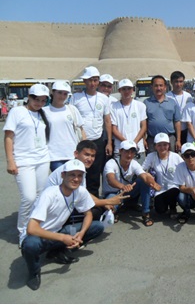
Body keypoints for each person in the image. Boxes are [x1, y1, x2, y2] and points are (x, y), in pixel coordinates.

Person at [20, 159, 104, 290]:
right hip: (41, 236)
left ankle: (56, 251)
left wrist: (80, 234)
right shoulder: (50, 194)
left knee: (97, 227)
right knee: (30, 244)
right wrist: (63, 238)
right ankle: (33, 272)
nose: (76, 179)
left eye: (79, 175)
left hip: (59, 232)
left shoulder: (80, 191)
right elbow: (31, 229)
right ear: (63, 175)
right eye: (72, 175)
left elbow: (88, 214)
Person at [4, 84, 50, 237]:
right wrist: (10, 160)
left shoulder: (43, 114)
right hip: (24, 160)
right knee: (29, 197)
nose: (39, 103)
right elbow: (9, 137)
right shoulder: (17, 111)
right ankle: (23, 231)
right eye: (36, 99)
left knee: (39, 196)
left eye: (43, 100)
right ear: (28, 97)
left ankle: (35, 226)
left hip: (42, 159)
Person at [46, 140, 129, 221]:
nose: (90, 159)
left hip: (65, 204)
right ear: (76, 154)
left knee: (99, 210)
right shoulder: (69, 169)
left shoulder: (81, 169)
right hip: (54, 209)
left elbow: (84, 192)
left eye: (92, 156)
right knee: (96, 213)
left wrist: (104, 203)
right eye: (86, 155)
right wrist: (107, 201)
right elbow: (82, 198)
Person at [70, 66, 112, 197]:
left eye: (95, 80)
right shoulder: (76, 98)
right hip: (80, 142)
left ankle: (92, 204)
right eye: (89, 80)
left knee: (94, 175)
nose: (92, 83)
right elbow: (71, 120)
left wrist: (109, 142)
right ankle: (76, 203)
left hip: (97, 141)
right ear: (84, 82)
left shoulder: (104, 98)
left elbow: (107, 121)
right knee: (77, 173)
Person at [102, 140, 156, 227]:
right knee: (110, 209)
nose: (129, 155)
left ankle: (146, 213)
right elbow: (110, 180)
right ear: (120, 151)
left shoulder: (134, 163)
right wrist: (123, 187)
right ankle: (117, 209)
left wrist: (151, 181)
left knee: (143, 181)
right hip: (113, 193)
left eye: (132, 152)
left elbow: (143, 175)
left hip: (127, 191)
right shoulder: (111, 163)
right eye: (126, 151)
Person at [43, 81, 86, 171]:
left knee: (75, 181)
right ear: (53, 92)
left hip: (73, 153)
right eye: (59, 93)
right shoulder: (44, 111)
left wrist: (85, 148)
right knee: (61, 181)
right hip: (54, 155)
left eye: (65, 94)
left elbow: (81, 130)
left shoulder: (72, 109)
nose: (62, 96)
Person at [142, 133, 183, 219]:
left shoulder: (175, 157)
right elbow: (142, 170)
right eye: (159, 145)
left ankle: (173, 207)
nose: (162, 147)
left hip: (173, 187)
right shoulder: (151, 156)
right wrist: (148, 175)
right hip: (159, 189)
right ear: (155, 146)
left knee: (173, 190)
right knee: (160, 211)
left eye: (165, 145)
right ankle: (166, 204)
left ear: (169, 145)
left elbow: (184, 169)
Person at [144, 75, 182, 154]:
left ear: (165, 87)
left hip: (169, 138)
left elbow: (177, 122)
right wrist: (143, 139)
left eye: (161, 85)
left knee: (171, 162)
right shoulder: (146, 103)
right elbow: (144, 124)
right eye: (156, 86)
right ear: (152, 87)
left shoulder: (172, 102)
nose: (159, 88)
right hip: (152, 139)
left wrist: (178, 140)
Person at [110, 78, 147, 158]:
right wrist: (127, 144)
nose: (126, 91)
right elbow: (114, 129)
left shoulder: (140, 105)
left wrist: (134, 142)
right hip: (121, 148)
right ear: (119, 90)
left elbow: (143, 126)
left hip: (138, 148)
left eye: (129, 89)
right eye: (124, 89)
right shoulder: (113, 106)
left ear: (133, 90)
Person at [166, 71, 193, 147]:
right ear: (171, 82)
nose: (178, 84)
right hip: (172, 131)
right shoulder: (167, 97)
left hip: (186, 130)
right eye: (176, 82)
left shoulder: (188, 96)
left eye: (181, 81)